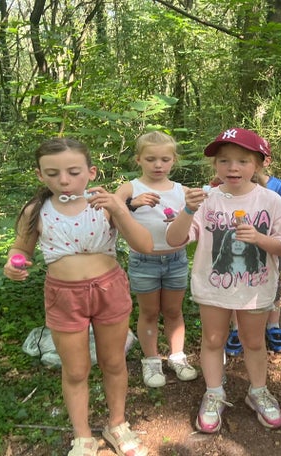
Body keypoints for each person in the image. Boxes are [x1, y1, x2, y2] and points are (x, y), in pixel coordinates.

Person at [3, 138, 153, 456]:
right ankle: (82, 436)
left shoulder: (105, 205)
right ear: (40, 175)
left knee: (114, 362)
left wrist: (120, 209)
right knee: (74, 370)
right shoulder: (35, 211)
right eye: (52, 173)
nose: (64, 180)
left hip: (110, 290)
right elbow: (20, 248)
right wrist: (13, 262)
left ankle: (117, 424)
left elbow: (144, 245)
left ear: (91, 172)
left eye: (73, 172)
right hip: (63, 296)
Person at [166, 128, 281, 434]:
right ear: (215, 165)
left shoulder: (271, 200)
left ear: (259, 164)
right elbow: (174, 239)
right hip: (213, 287)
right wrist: (188, 209)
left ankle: (258, 391)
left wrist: (259, 238)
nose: (232, 168)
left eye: (242, 161)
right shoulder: (206, 200)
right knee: (213, 340)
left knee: (254, 341)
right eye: (224, 161)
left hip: (255, 288)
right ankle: (214, 392)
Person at [115, 131, 197, 389]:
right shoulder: (130, 188)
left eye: (164, 159)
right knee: (149, 312)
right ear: (138, 159)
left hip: (176, 259)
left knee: (173, 311)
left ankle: (177, 356)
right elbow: (111, 213)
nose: (158, 165)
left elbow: (198, 217)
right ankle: (151, 360)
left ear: (174, 160)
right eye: (151, 159)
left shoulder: (182, 191)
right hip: (143, 260)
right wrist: (132, 204)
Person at [226, 155, 281, 355]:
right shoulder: (229, 185)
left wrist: (274, 209)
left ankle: (273, 326)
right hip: (237, 247)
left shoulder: (277, 186)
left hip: (269, 246)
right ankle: (236, 328)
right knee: (235, 283)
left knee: (273, 285)